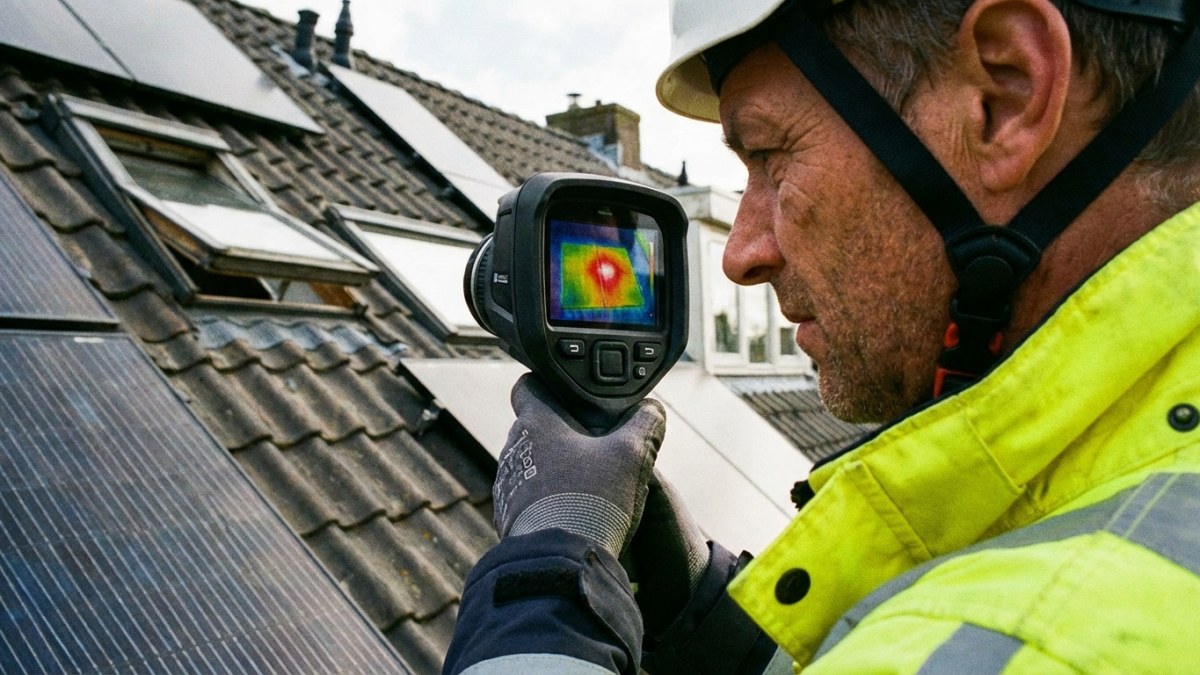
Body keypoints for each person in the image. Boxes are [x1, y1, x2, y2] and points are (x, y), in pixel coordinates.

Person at [444, 0, 1200, 672]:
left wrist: (542, 590)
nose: (741, 253)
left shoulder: (1024, 639)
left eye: (771, 155)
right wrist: (701, 615)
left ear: (1005, 94)